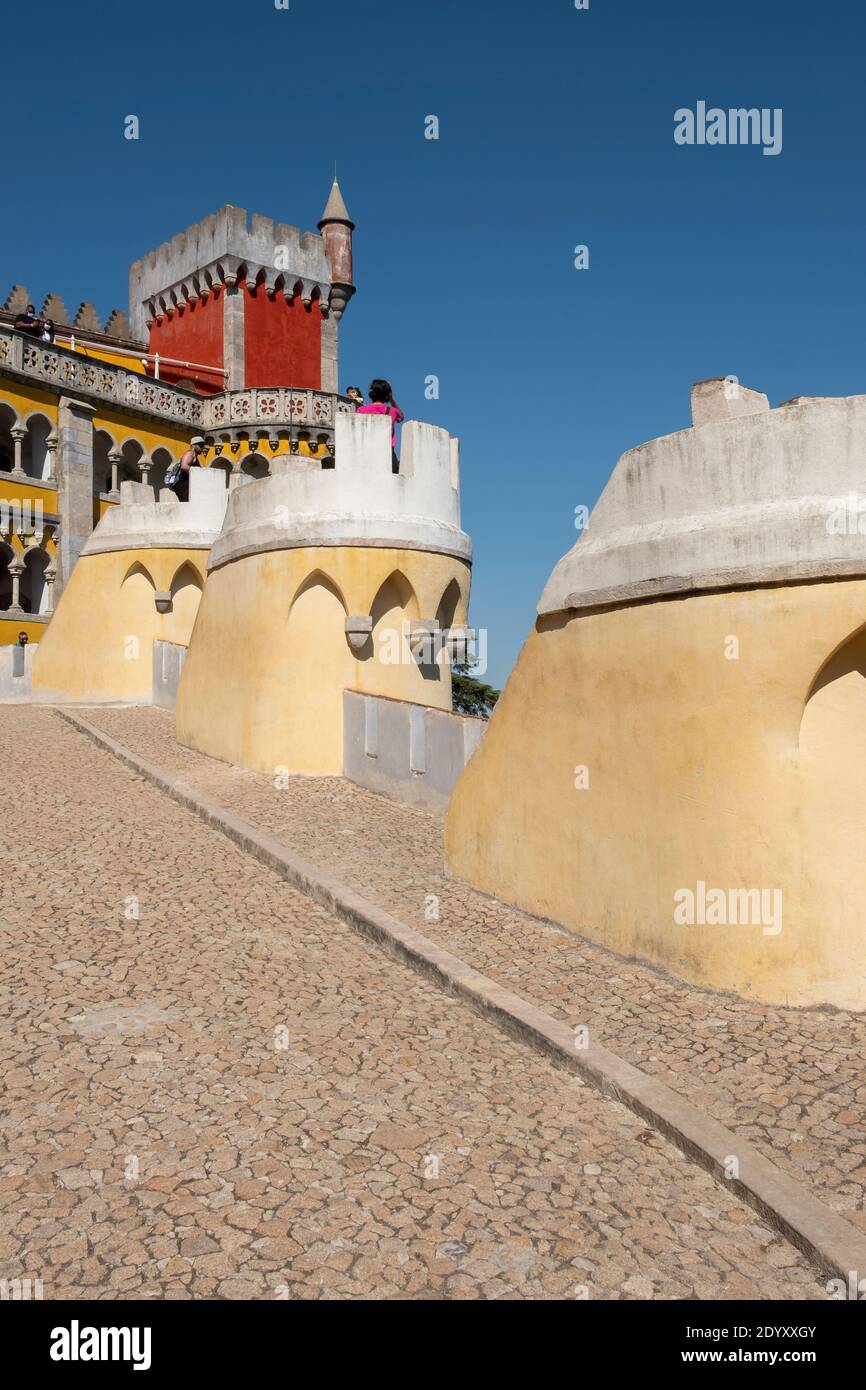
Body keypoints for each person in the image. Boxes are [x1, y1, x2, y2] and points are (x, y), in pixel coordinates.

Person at [357, 379, 404, 472]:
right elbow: (401, 416)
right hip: (388, 454)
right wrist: (391, 399)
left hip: (366, 452)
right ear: (387, 395)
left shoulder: (361, 410)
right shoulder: (392, 411)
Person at [167, 435, 204, 501]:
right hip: (183, 485)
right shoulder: (190, 454)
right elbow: (184, 466)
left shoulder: (194, 456)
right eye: (200, 445)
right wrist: (196, 473)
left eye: (203, 445)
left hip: (187, 486)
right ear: (193, 445)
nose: (202, 447)